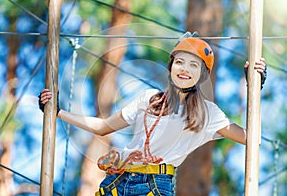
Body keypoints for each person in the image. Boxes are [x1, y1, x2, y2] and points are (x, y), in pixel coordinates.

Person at [38, 34, 266, 196]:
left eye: (194, 66)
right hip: (119, 181)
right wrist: (58, 112)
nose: (185, 69)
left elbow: (251, 138)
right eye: (180, 62)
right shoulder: (148, 99)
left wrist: (253, 87)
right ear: (171, 67)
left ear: (203, 75)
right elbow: (103, 127)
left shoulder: (207, 114)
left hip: (155, 185)